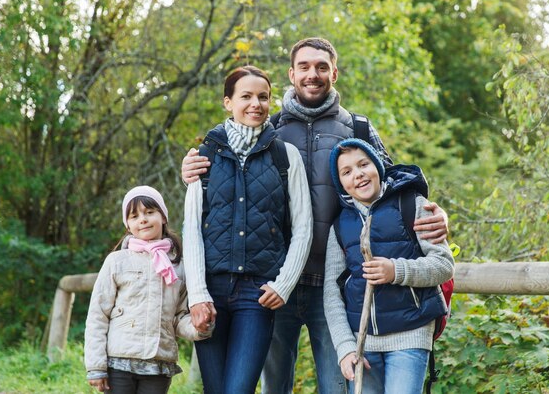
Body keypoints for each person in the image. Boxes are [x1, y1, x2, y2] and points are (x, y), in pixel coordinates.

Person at [181, 38, 448, 394]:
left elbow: (394, 185)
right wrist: (192, 167)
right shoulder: (268, 130)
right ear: (291, 74)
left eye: (322, 67)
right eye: (304, 67)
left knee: (337, 384)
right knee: (274, 384)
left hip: (337, 286)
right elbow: (226, 190)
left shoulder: (359, 128)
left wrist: (435, 210)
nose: (313, 74)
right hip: (273, 283)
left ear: (334, 73)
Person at [182, 65, 312, 394]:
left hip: (258, 294)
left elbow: (303, 228)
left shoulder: (286, 157)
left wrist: (283, 284)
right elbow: (192, 229)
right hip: (211, 291)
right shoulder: (205, 156)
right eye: (246, 96)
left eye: (263, 97)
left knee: (238, 389)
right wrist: (196, 295)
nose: (256, 103)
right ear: (228, 102)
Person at [325, 138, 454, 394]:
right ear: (341, 183)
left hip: (411, 334)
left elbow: (443, 265)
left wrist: (396, 271)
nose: (358, 175)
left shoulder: (411, 205)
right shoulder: (339, 226)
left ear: (378, 166)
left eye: (364, 164)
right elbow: (331, 293)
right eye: (347, 172)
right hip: (362, 343)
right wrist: (345, 347)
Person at [85, 185, 209, 394]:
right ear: (128, 224)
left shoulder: (180, 265)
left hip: (158, 363)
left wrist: (200, 327)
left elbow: (179, 317)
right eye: (134, 216)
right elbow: (98, 315)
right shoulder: (117, 261)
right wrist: (96, 367)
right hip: (118, 363)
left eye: (149, 212)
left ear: (163, 217)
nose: (142, 219)